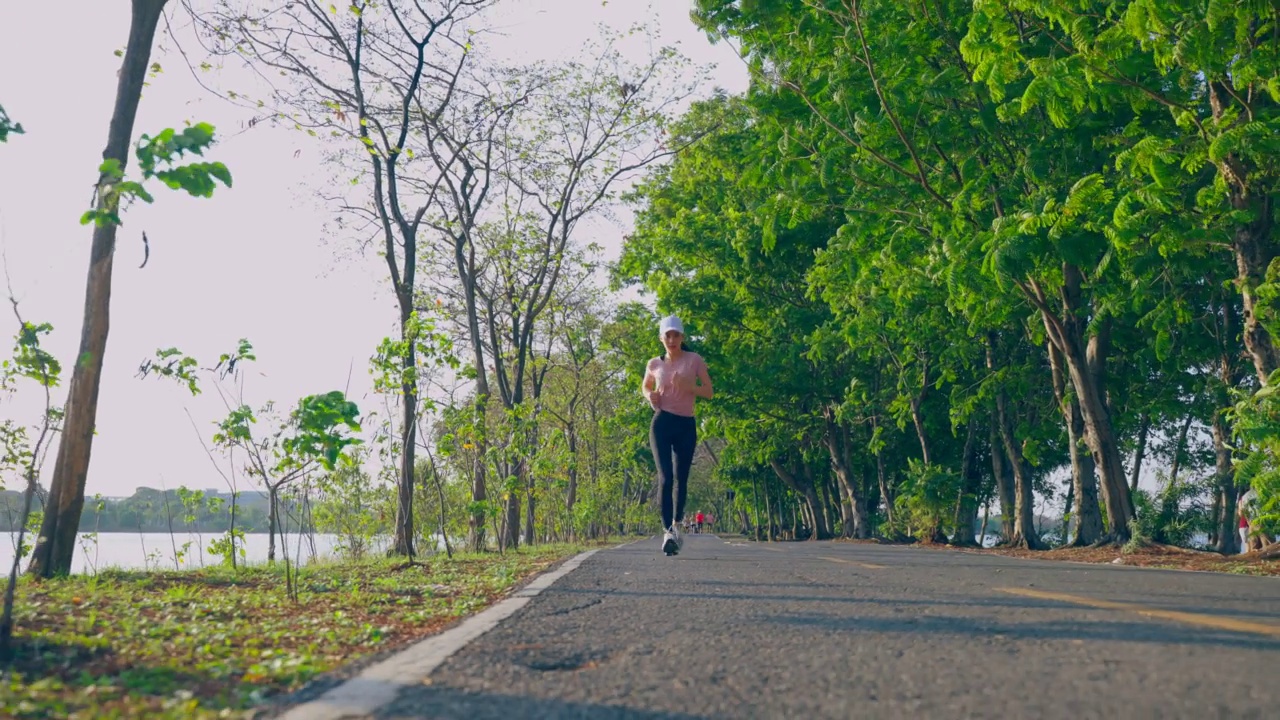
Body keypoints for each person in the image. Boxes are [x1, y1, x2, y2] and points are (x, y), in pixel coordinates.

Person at [642, 315, 714, 556]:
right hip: (662, 422)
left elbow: (709, 391)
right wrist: (649, 396)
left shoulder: (694, 360)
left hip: (686, 424)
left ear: (683, 337)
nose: (672, 340)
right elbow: (646, 386)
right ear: (661, 338)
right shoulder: (654, 363)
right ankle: (668, 532)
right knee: (665, 478)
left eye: (676, 335)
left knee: (681, 478)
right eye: (667, 336)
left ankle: (676, 523)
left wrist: (689, 386)